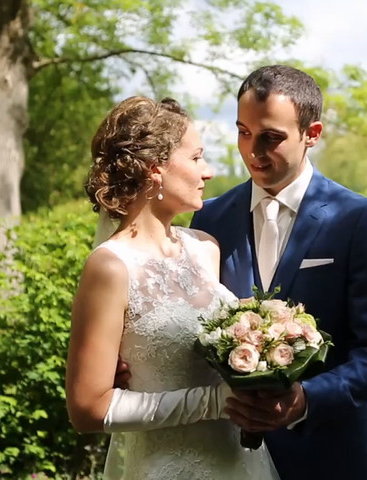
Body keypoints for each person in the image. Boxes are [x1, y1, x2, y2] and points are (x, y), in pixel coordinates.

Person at [190, 65, 367, 480]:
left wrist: (305, 400)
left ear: (313, 133)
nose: (253, 150)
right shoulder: (208, 220)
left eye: (271, 137)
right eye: (243, 132)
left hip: (334, 457)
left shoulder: (357, 219)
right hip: (226, 458)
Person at [67, 96, 279, 480]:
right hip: (167, 466)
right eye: (196, 157)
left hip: (238, 463)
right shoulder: (111, 267)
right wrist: (215, 402)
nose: (208, 171)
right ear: (155, 170)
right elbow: (87, 409)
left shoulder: (205, 248)